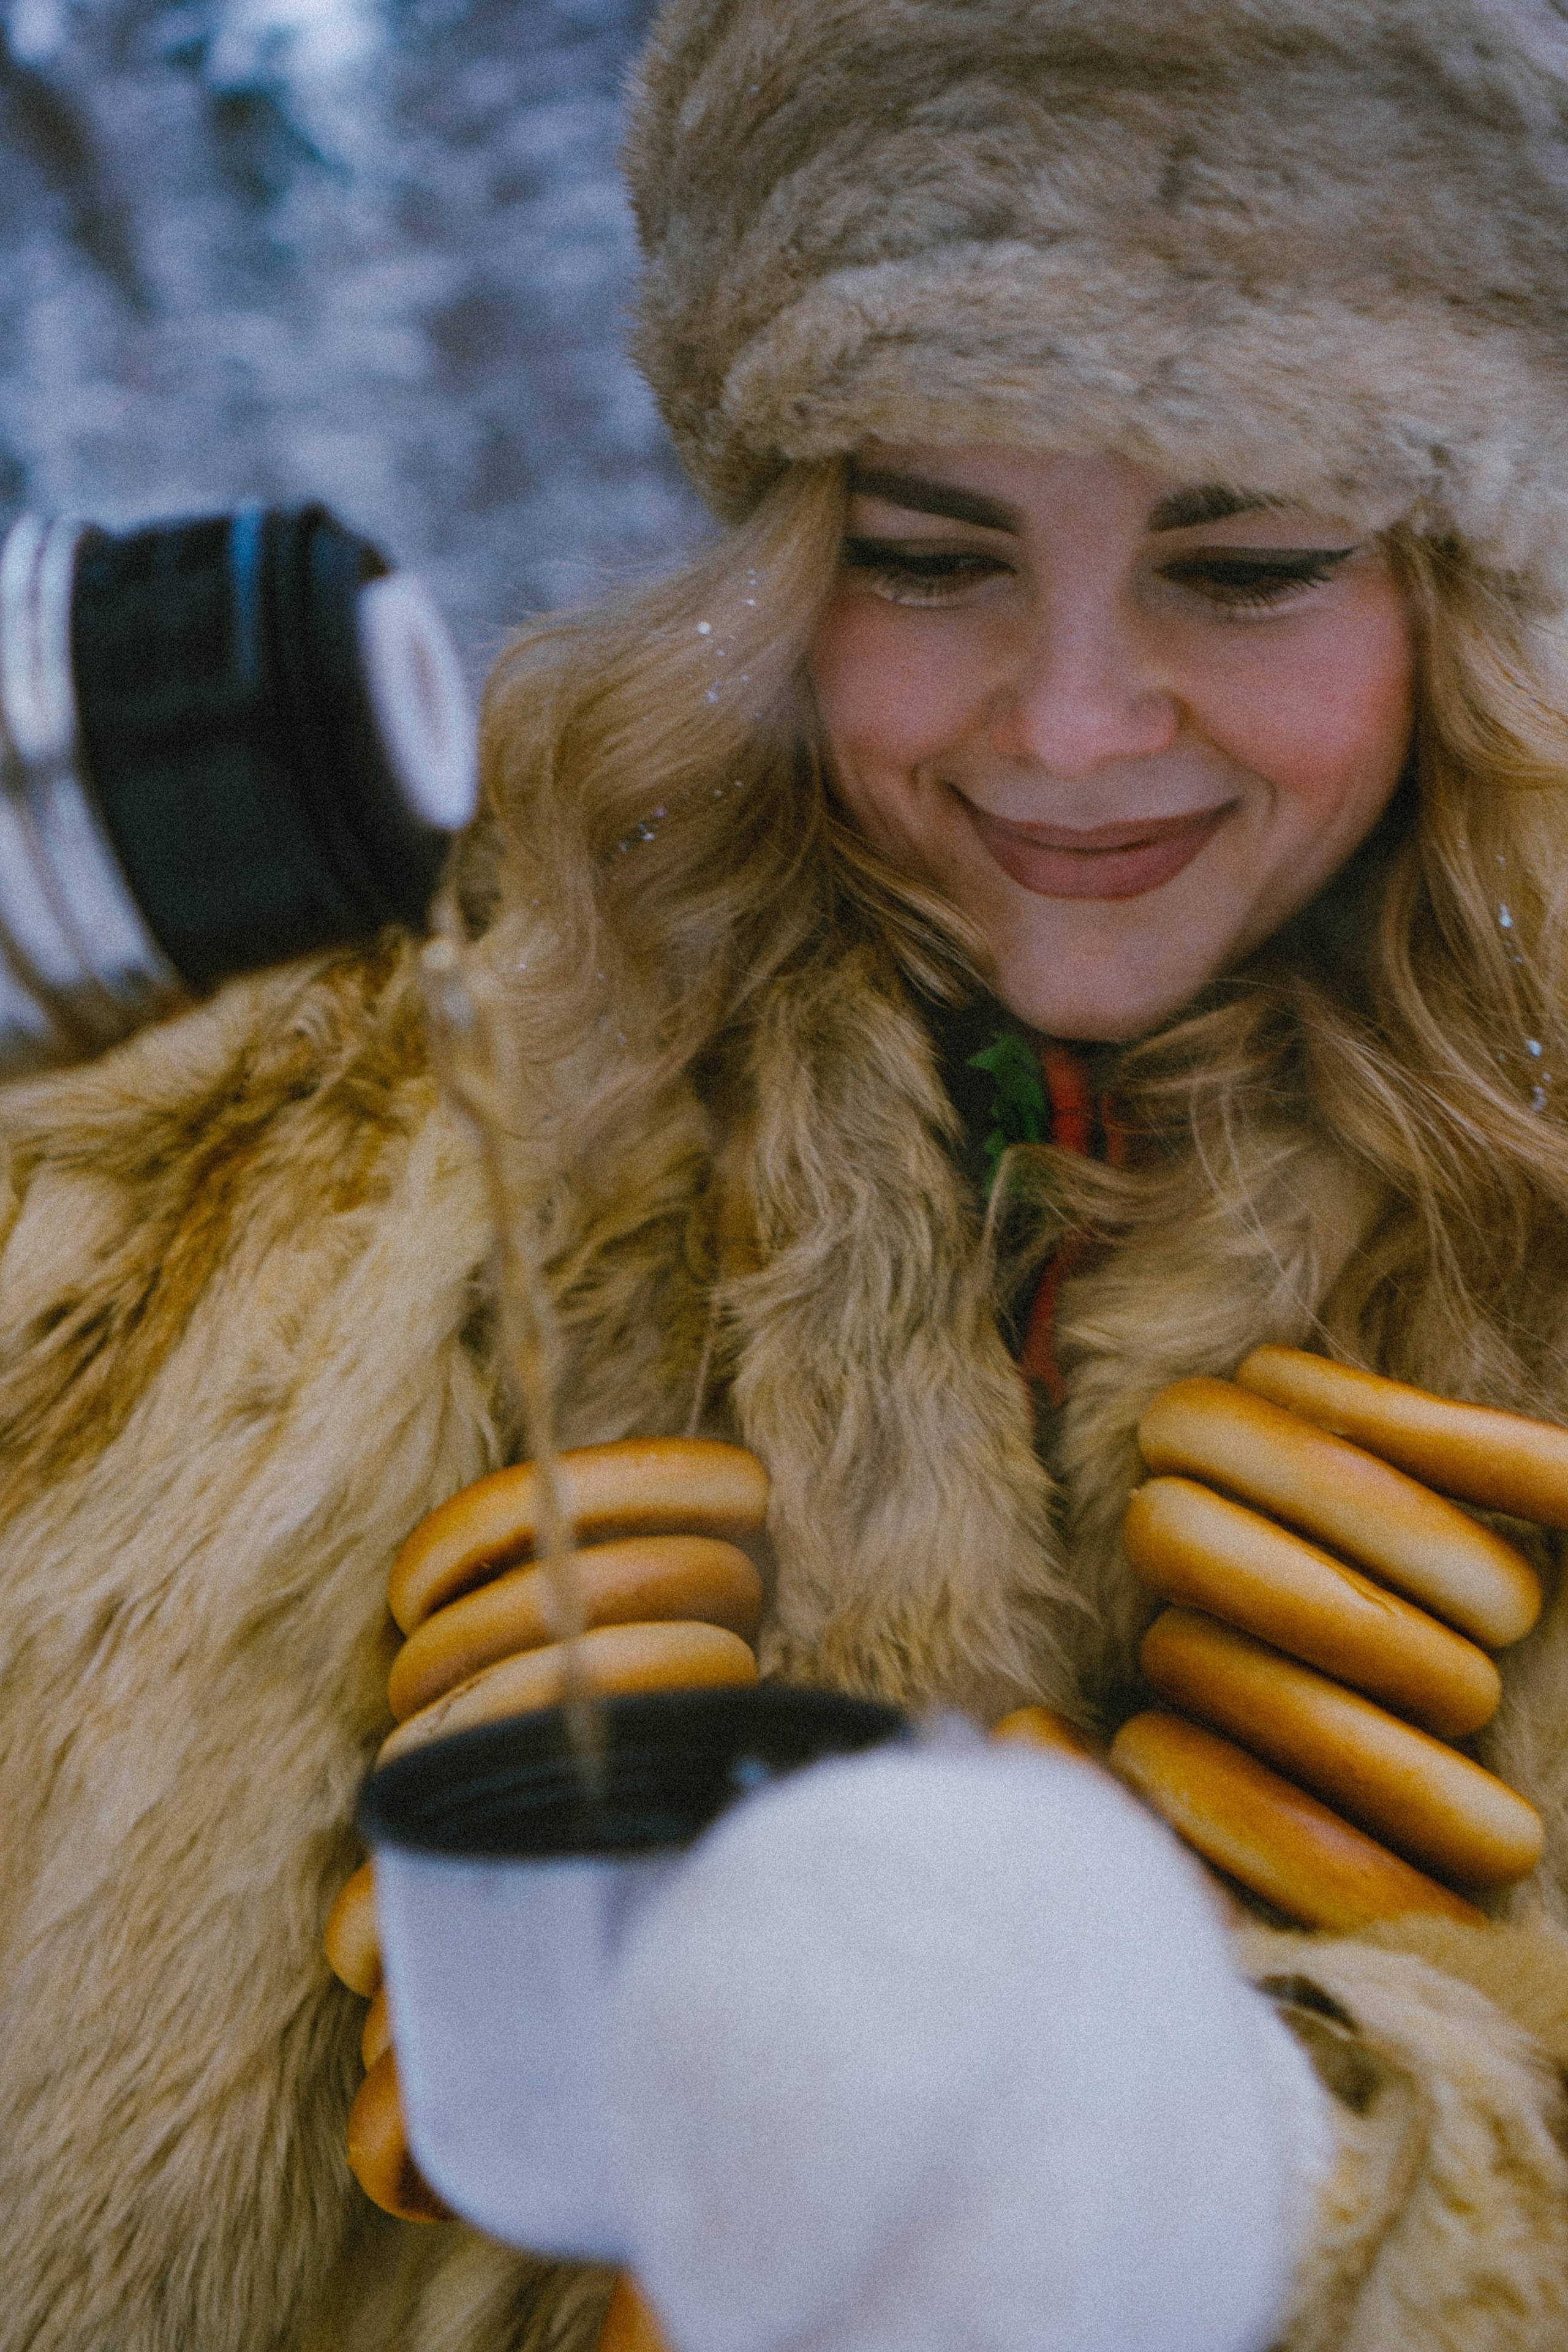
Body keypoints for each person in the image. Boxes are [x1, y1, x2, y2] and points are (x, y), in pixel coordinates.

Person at [4, 0, 1568, 2345]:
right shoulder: (364, 1107)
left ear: (1452, 588)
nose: (1065, 727)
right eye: (931, 561)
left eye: (1240, 570)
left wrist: (1246, 2192)